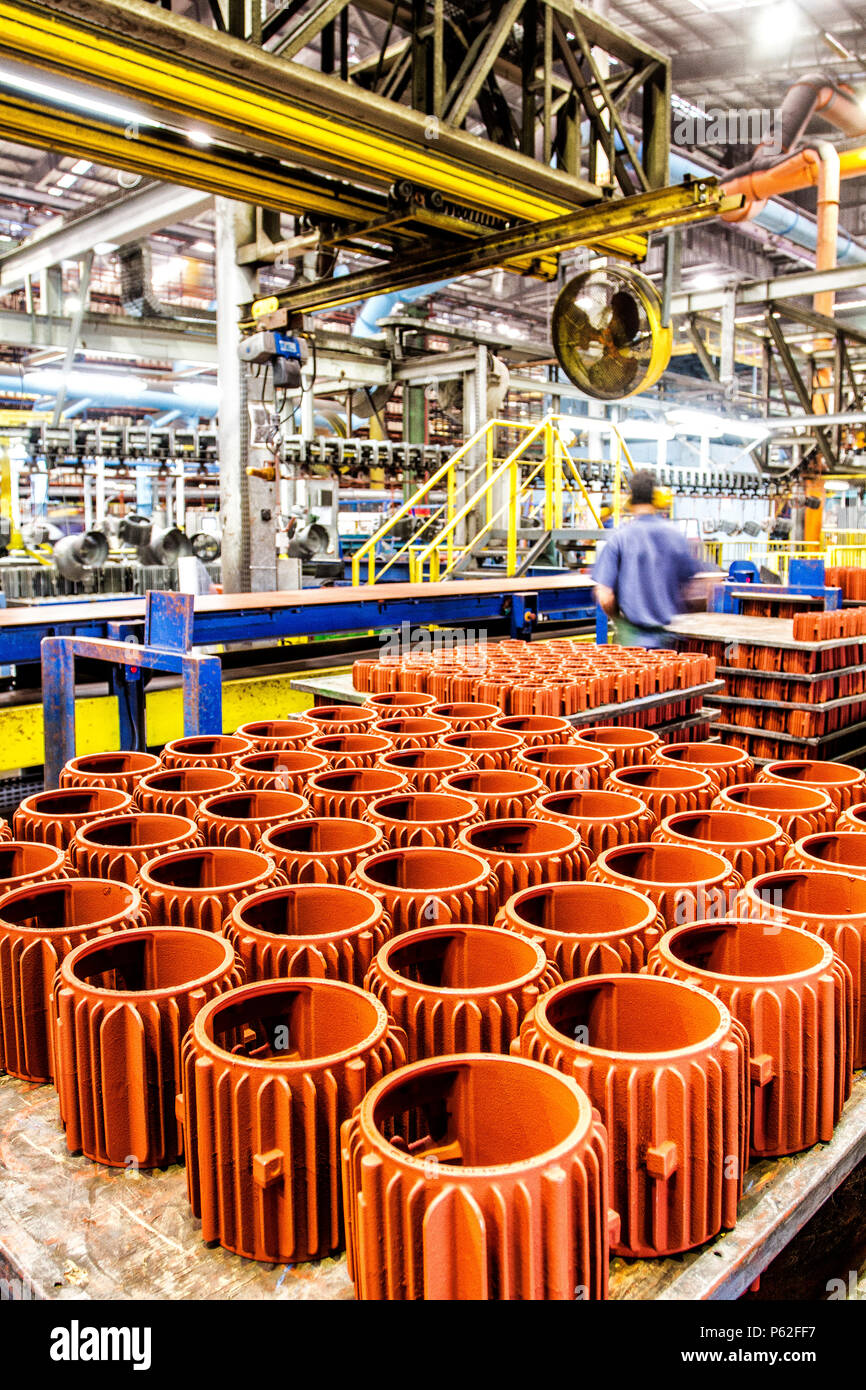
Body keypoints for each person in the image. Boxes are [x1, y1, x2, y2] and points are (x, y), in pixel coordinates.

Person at [593, 468, 701, 648]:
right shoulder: (676, 537)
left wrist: (619, 621)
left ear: (630, 499)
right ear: (656, 499)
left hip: (633, 641)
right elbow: (691, 586)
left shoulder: (620, 538)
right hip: (668, 641)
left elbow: (604, 595)